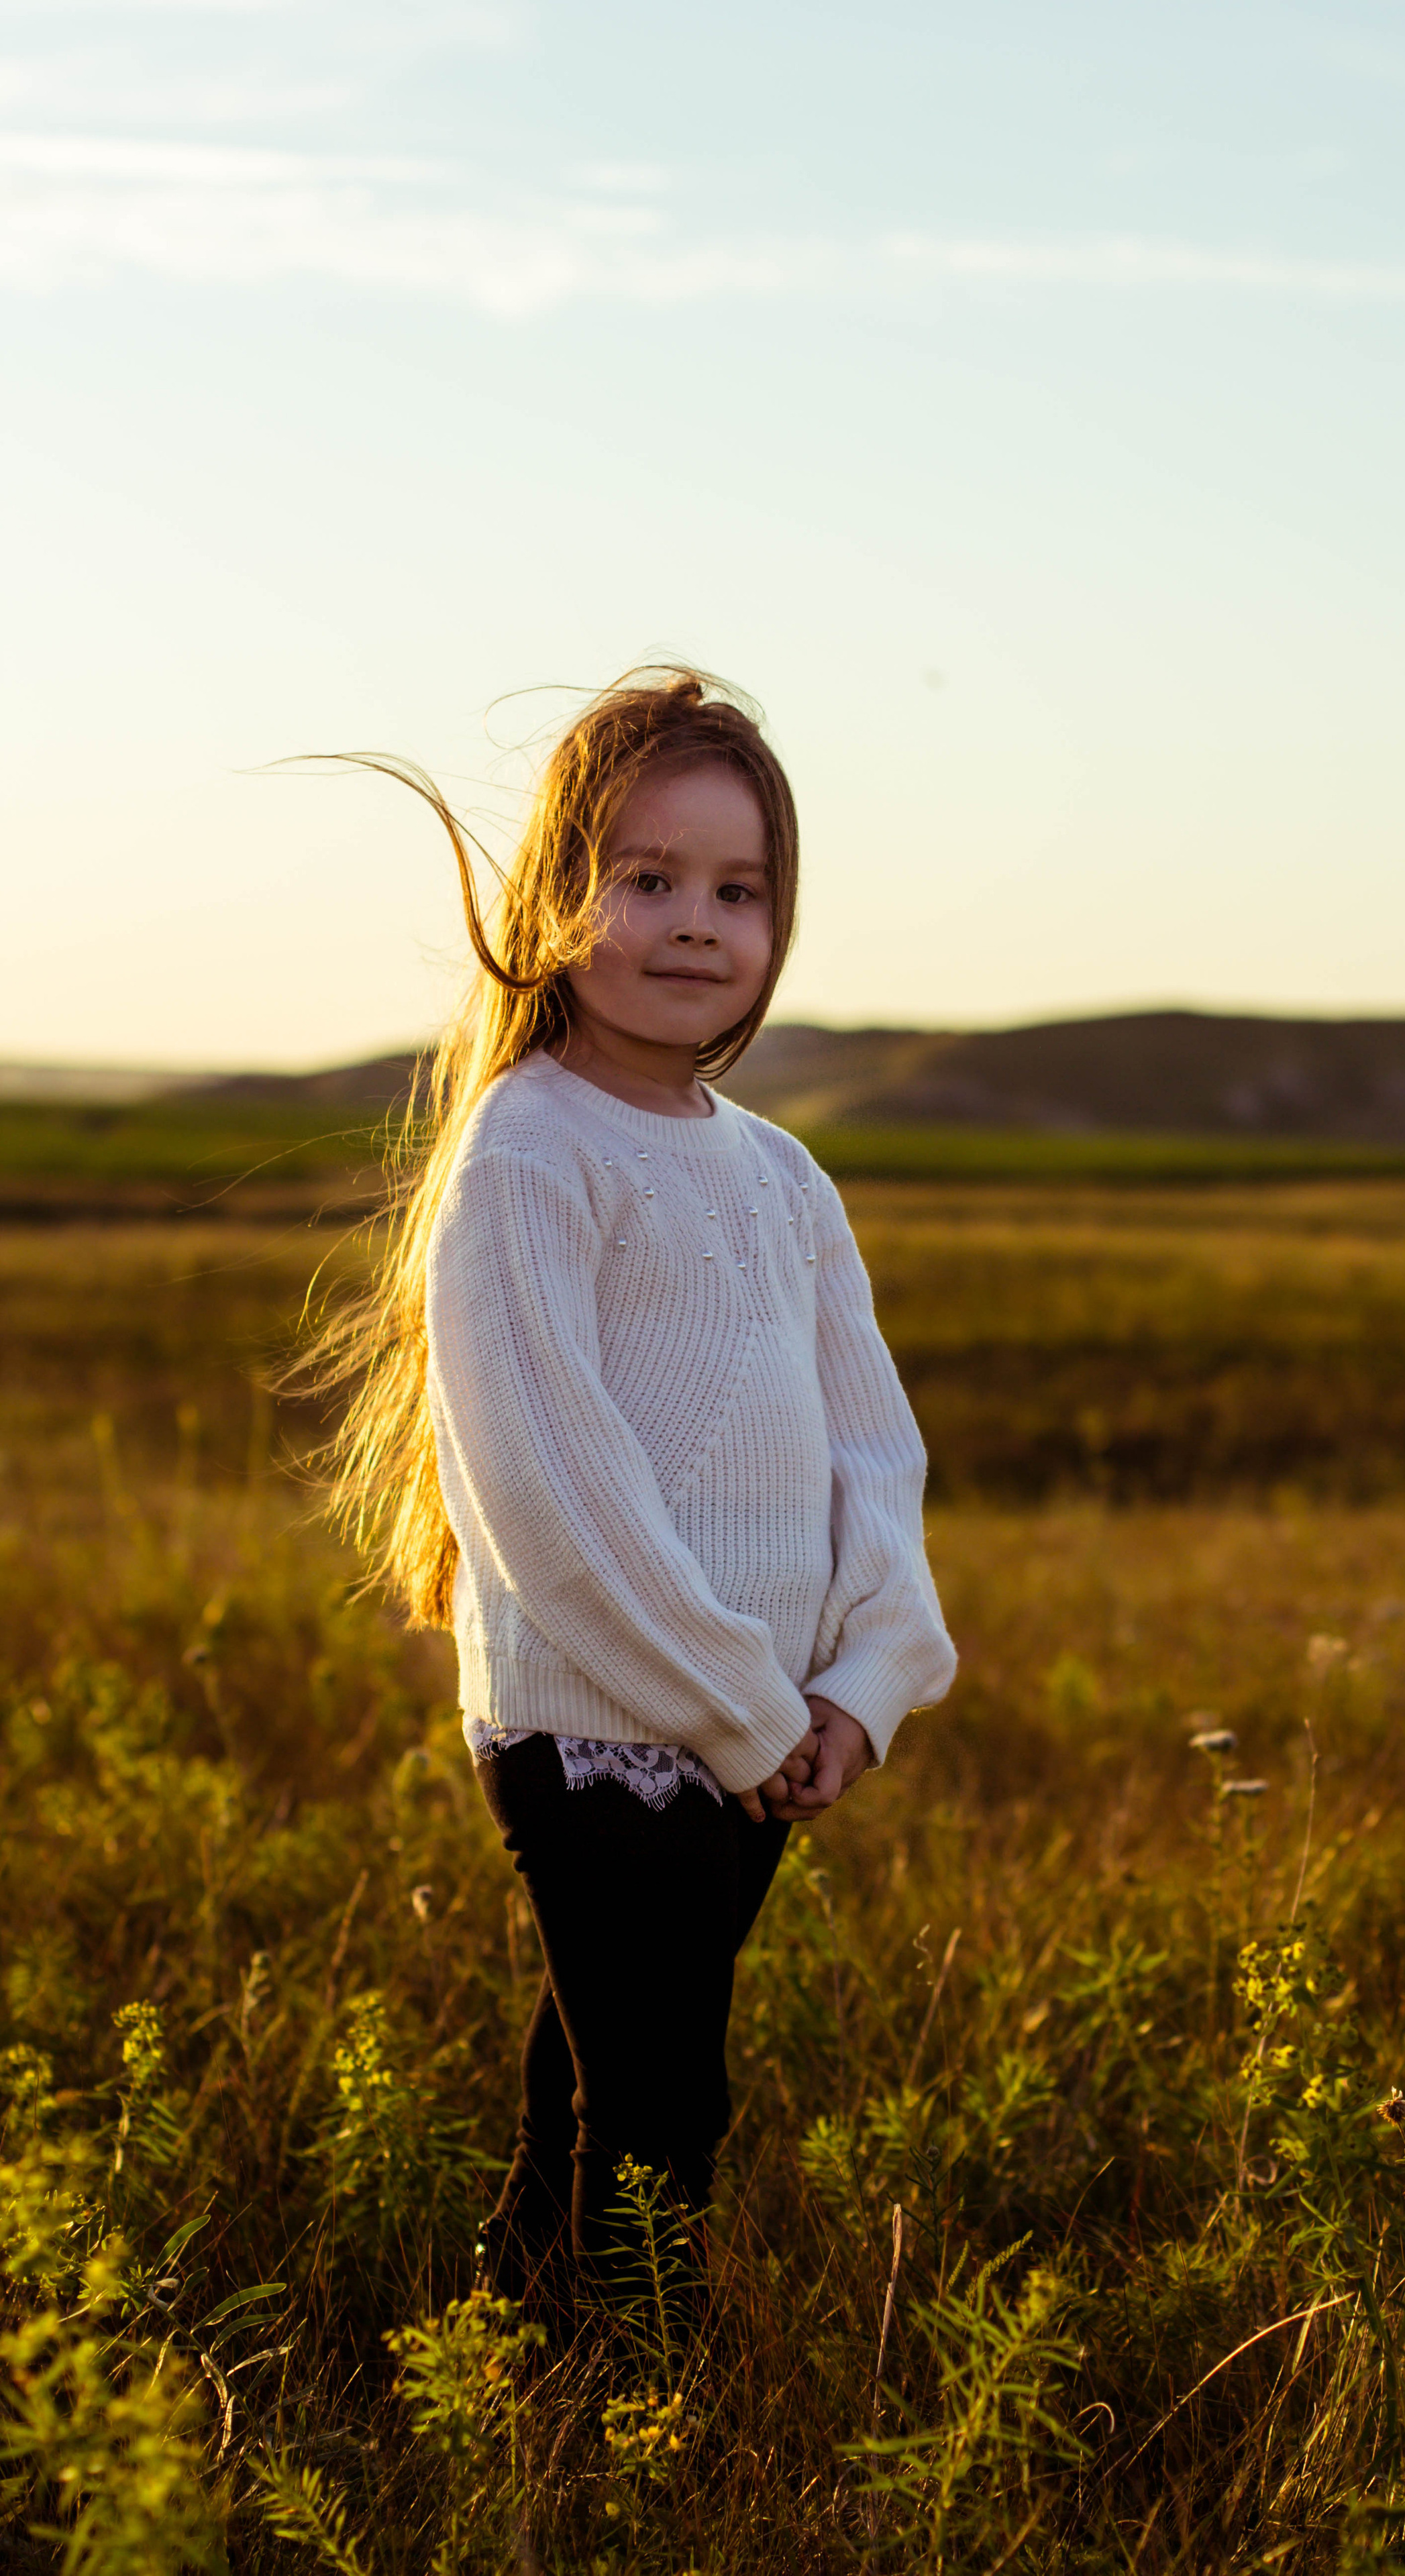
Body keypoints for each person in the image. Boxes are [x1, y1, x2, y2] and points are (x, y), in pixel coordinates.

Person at [313, 666, 956, 2320]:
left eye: (736, 890)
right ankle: (624, 2429)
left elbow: (868, 1451)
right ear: (554, 901)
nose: (694, 924)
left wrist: (864, 1684)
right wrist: (748, 1713)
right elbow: (558, 1497)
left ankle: (514, 2341)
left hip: (763, 1740)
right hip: (602, 1737)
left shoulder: (777, 1169)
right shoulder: (528, 1152)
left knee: (597, 2085)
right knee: (664, 2106)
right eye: (645, 878)